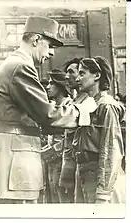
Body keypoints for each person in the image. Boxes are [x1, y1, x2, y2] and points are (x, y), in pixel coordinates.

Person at [0, 16, 97, 204]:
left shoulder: (12, 64)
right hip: (13, 167)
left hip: (7, 163)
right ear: (36, 40)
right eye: (50, 45)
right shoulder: (21, 67)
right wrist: (82, 110)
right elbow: (48, 116)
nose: (52, 53)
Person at [73, 56, 125, 203]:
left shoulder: (106, 105)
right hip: (83, 173)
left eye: (82, 73)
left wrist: (103, 192)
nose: (77, 79)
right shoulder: (88, 104)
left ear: (97, 75)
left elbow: (111, 150)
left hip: (97, 176)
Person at [59, 58, 88, 203]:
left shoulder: (89, 102)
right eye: (66, 72)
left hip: (82, 165)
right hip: (70, 164)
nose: (67, 76)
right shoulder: (74, 101)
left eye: (71, 72)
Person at [44, 68, 73, 203]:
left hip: (64, 161)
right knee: (52, 194)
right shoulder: (53, 105)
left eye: (51, 83)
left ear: (60, 85)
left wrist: (51, 151)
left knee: (63, 198)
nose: (48, 87)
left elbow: (71, 138)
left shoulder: (70, 106)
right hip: (51, 160)